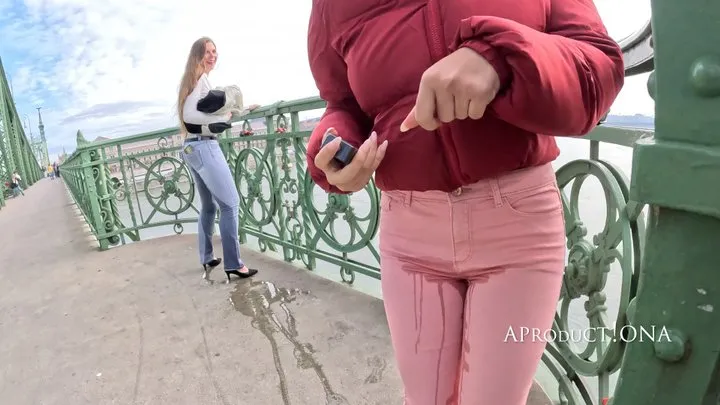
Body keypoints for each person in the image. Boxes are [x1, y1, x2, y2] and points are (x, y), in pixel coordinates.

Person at [305, 1, 624, 404]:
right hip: (409, 232)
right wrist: (335, 148)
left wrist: (501, 59)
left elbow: (598, 66)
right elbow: (342, 104)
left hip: (517, 225)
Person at [177, 36, 260, 283]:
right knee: (230, 205)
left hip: (191, 147)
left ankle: (206, 255)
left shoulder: (192, 80)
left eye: (215, 51)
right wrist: (217, 124)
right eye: (208, 51)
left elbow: (201, 113)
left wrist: (242, 111)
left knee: (210, 206)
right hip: (204, 148)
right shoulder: (200, 79)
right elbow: (190, 115)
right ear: (197, 55)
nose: (213, 55)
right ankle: (234, 263)